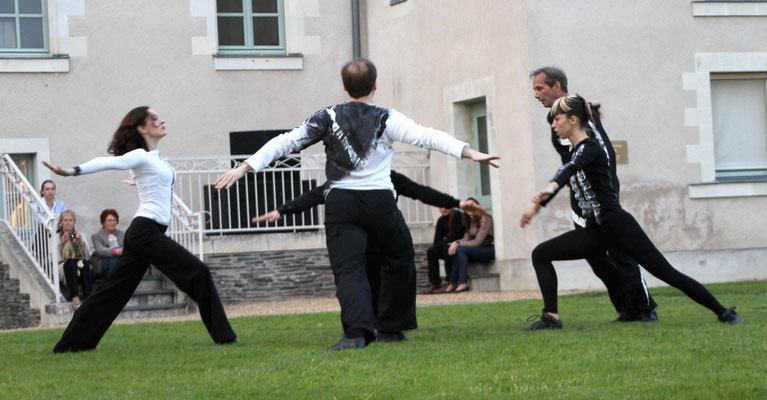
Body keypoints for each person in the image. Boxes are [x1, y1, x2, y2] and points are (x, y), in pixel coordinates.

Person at [215, 58, 499, 350]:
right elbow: (426, 136)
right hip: (380, 203)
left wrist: (244, 167)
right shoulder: (387, 118)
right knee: (400, 259)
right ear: (375, 85)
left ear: (344, 86)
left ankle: (357, 334)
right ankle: (390, 328)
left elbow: (285, 141)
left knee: (348, 269)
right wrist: (468, 151)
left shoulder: (327, 116)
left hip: (341, 203)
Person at [520, 94, 743, 330]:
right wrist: (538, 205)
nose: (553, 125)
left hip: (619, 228)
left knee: (667, 273)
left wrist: (552, 185)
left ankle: (724, 312)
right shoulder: (576, 151)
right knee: (541, 254)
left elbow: (570, 169)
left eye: (557, 119)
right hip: (596, 232)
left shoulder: (590, 148)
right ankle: (551, 318)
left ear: (573, 120)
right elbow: (569, 169)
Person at [44, 106, 237, 353]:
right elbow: (109, 162)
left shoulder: (155, 159)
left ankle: (71, 345)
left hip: (145, 233)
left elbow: (155, 183)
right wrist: (73, 171)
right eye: (154, 119)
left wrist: (138, 180)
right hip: (145, 232)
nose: (161, 120)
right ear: (142, 127)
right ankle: (225, 338)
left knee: (114, 291)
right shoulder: (141, 156)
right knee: (198, 272)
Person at [252, 170, 482, 334]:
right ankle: (366, 326)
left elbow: (422, 192)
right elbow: (315, 195)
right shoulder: (345, 180)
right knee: (367, 283)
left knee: (392, 281)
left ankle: (390, 328)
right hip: (361, 244)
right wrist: (282, 211)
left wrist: (458, 203)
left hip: (389, 240)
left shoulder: (391, 178)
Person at [530, 66, 658, 322]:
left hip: (602, 199)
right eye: (534, 89)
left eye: (540, 88)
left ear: (557, 87)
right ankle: (627, 308)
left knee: (621, 253)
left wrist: (607, 192)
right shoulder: (555, 120)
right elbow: (570, 164)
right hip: (581, 201)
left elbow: (603, 151)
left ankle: (644, 309)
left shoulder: (582, 114)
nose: (536, 95)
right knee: (596, 258)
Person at [445, 198, 494, 293]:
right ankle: (452, 282)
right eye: (468, 208)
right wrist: (455, 243)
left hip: (489, 249)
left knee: (461, 249)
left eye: (472, 207)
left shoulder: (485, 218)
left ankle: (463, 282)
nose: (470, 210)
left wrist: (458, 244)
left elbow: (477, 242)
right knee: (456, 249)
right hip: (479, 249)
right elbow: (466, 239)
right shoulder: (470, 219)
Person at [423, 206, 466, 294]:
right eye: (441, 207)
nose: (444, 209)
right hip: (447, 247)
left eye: (446, 206)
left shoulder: (457, 215)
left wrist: (444, 243)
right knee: (431, 251)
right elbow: (436, 241)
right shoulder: (441, 220)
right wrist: (444, 243)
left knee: (447, 248)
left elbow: (454, 236)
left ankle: (449, 280)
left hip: (460, 246)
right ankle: (435, 283)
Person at [57, 210, 94, 308]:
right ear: (61, 223)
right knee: (70, 263)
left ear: (74, 222)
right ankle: (75, 299)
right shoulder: (55, 237)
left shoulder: (80, 235)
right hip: (63, 265)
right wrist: (61, 243)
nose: (68, 222)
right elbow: (53, 258)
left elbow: (87, 256)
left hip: (79, 263)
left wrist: (80, 242)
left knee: (85, 263)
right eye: (65, 220)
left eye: (71, 220)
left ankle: (89, 297)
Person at [90, 209, 125, 279]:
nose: (112, 222)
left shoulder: (122, 234)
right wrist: (116, 251)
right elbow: (100, 250)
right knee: (113, 258)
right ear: (103, 222)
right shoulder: (96, 236)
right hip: (102, 264)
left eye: (114, 220)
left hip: (119, 263)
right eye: (109, 220)